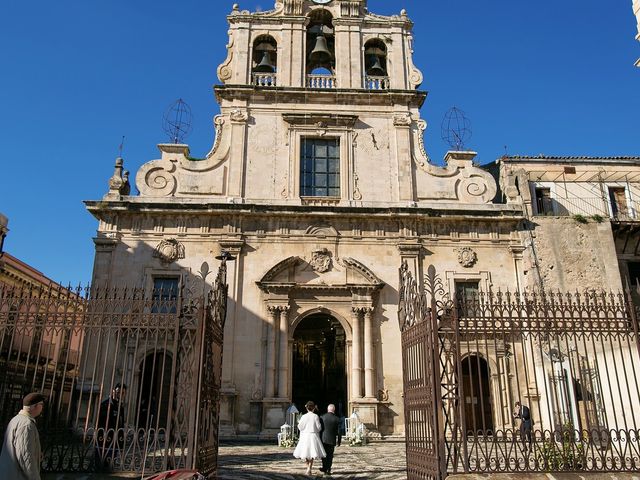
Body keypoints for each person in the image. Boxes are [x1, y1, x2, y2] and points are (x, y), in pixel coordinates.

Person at [0, 392, 46, 480]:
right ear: (35, 406)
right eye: (41, 404)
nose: (42, 408)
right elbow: (25, 457)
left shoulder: (17, 419)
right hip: (17, 475)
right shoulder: (27, 425)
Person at [96, 383, 127, 470]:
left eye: (123, 393)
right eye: (118, 392)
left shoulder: (120, 406)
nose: (120, 395)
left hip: (115, 439)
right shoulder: (105, 405)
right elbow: (100, 423)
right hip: (105, 439)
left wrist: (121, 440)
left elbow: (121, 424)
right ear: (113, 391)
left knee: (110, 464)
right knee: (101, 464)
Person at [293, 400, 326, 476]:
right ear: (314, 408)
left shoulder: (304, 416)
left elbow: (300, 427)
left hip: (305, 436)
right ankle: (309, 468)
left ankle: (308, 468)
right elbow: (318, 428)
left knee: (305, 453)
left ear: (307, 408)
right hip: (313, 436)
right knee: (312, 453)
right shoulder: (315, 416)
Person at [319, 403, 341, 475]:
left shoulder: (322, 417)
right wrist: (339, 441)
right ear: (334, 410)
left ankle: (324, 467)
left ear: (327, 409)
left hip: (323, 439)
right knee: (330, 455)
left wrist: (318, 438)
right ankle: (328, 468)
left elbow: (320, 429)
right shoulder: (337, 419)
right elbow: (339, 431)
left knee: (324, 454)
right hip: (332, 440)